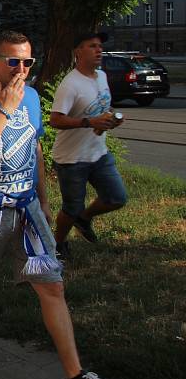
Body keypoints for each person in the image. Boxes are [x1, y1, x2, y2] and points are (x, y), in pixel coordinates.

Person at [0, 30, 122, 379]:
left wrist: (43, 199)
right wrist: (4, 109)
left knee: (52, 285)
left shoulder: (30, 96)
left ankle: (75, 377)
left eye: (28, 61)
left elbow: (34, 146)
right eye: (13, 61)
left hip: (27, 208)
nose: (22, 69)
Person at [49, 32, 126, 258]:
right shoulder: (70, 84)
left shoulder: (101, 77)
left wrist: (112, 119)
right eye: (92, 46)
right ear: (78, 52)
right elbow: (55, 120)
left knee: (116, 198)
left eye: (100, 46)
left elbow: (102, 109)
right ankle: (59, 244)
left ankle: (84, 218)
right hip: (71, 159)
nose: (98, 50)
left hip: (98, 153)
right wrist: (88, 122)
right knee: (71, 207)